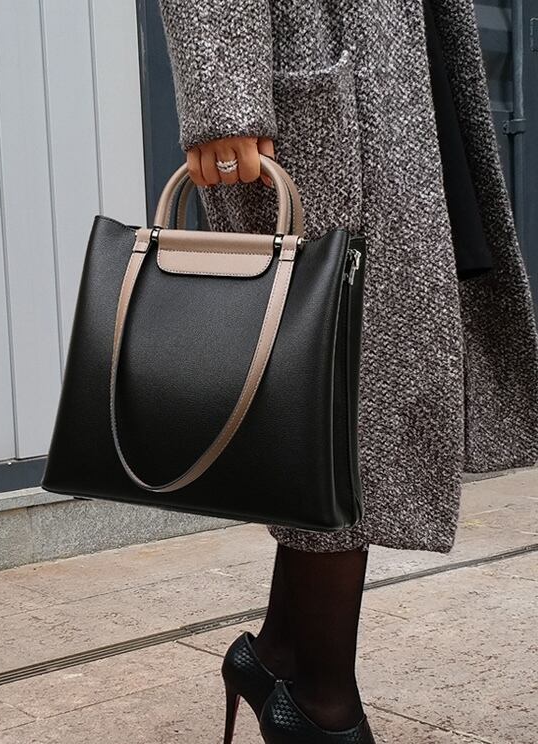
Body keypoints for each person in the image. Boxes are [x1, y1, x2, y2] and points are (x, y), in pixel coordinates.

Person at [157, 1, 538, 742]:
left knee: (341, 404)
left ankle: (276, 656)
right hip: (319, 69)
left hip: (399, 65)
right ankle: (323, 708)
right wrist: (222, 94)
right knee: (339, 404)